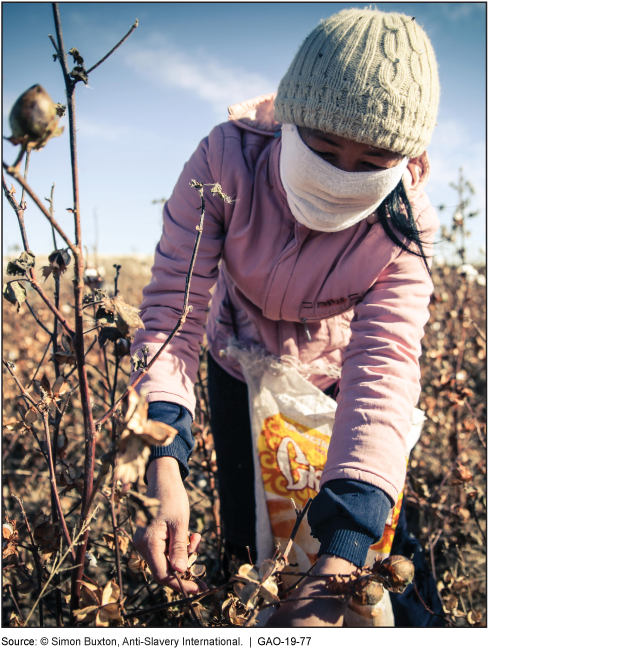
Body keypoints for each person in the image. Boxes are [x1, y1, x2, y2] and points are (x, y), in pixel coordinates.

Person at [132, 7, 440, 626]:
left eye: (372, 161)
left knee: (378, 558)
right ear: (288, 123)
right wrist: (161, 457)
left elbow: (383, 367)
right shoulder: (227, 160)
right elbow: (173, 308)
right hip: (234, 364)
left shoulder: (406, 224)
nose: (339, 177)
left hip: (333, 381)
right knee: (252, 543)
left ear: (405, 160)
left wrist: (343, 554)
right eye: (323, 149)